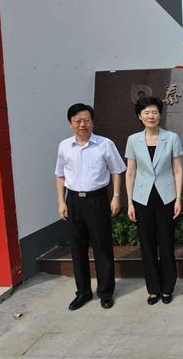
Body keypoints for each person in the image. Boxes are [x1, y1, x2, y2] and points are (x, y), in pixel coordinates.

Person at [55, 103, 126, 310]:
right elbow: (59, 175)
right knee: (77, 249)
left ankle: (105, 292)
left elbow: (117, 171)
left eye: (86, 120)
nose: (82, 124)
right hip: (73, 201)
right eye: (77, 121)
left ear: (92, 122)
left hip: (97, 200)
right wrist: (61, 201)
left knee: (102, 247)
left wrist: (116, 196)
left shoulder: (105, 144)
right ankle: (83, 292)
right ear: (70, 123)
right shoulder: (64, 146)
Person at [125, 96, 183, 305]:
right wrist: (129, 202)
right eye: (146, 112)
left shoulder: (172, 138)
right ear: (139, 116)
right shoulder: (133, 140)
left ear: (160, 115)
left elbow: (177, 169)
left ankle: (167, 288)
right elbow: (130, 172)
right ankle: (153, 289)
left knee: (166, 243)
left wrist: (178, 198)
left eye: (155, 112)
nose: (151, 116)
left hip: (166, 197)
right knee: (147, 245)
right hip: (142, 198)